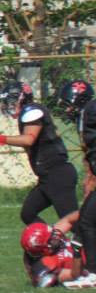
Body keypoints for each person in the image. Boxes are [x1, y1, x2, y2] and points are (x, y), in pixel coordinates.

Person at [0, 81, 78, 225]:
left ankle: (82, 240)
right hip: (47, 176)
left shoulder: (32, 110)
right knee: (28, 213)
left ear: (22, 98)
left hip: (57, 174)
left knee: (73, 223)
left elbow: (29, 139)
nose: (9, 105)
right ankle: (50, 238)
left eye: (11, 101)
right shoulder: (27, 112)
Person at [59, 80, 96, 278]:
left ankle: (93, 272)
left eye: (68, 104)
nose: (67, 109)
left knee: (87, 221)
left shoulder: (91, 110)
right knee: (86, 220)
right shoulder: (84, 115)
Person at [20, 211, 96, 288]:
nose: (56, 235)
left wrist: (88, 211)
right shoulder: (47, 264)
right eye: (51, 238)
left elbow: (68, 220)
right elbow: (74, 274)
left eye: (53, 233)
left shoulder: (50, 240)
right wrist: (77, 250)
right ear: (44, 249)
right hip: (90, 265)